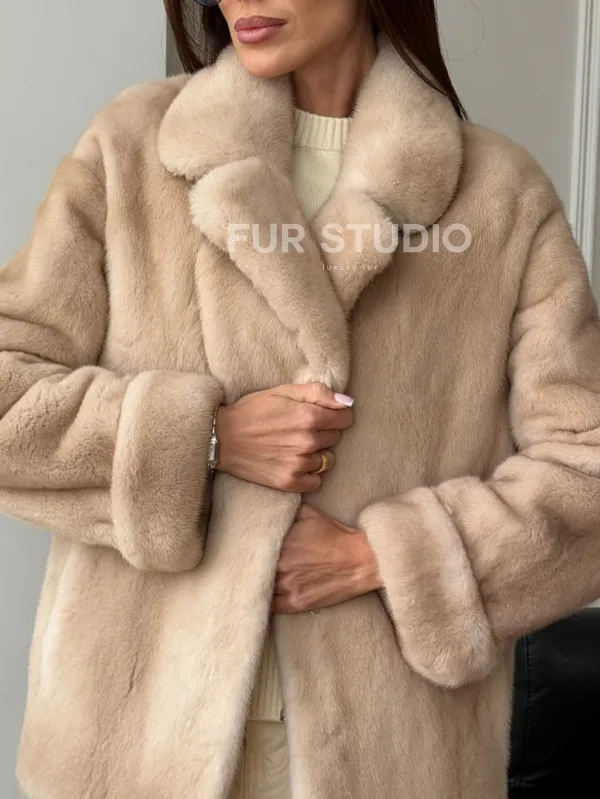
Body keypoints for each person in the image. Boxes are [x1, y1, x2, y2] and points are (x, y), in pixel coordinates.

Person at [3, 0, 600, 797]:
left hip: (393, 752)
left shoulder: (499, 195)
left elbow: (587, 466)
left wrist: (387, 557)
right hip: (132, 742)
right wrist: (205, 437)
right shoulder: (134, 147)